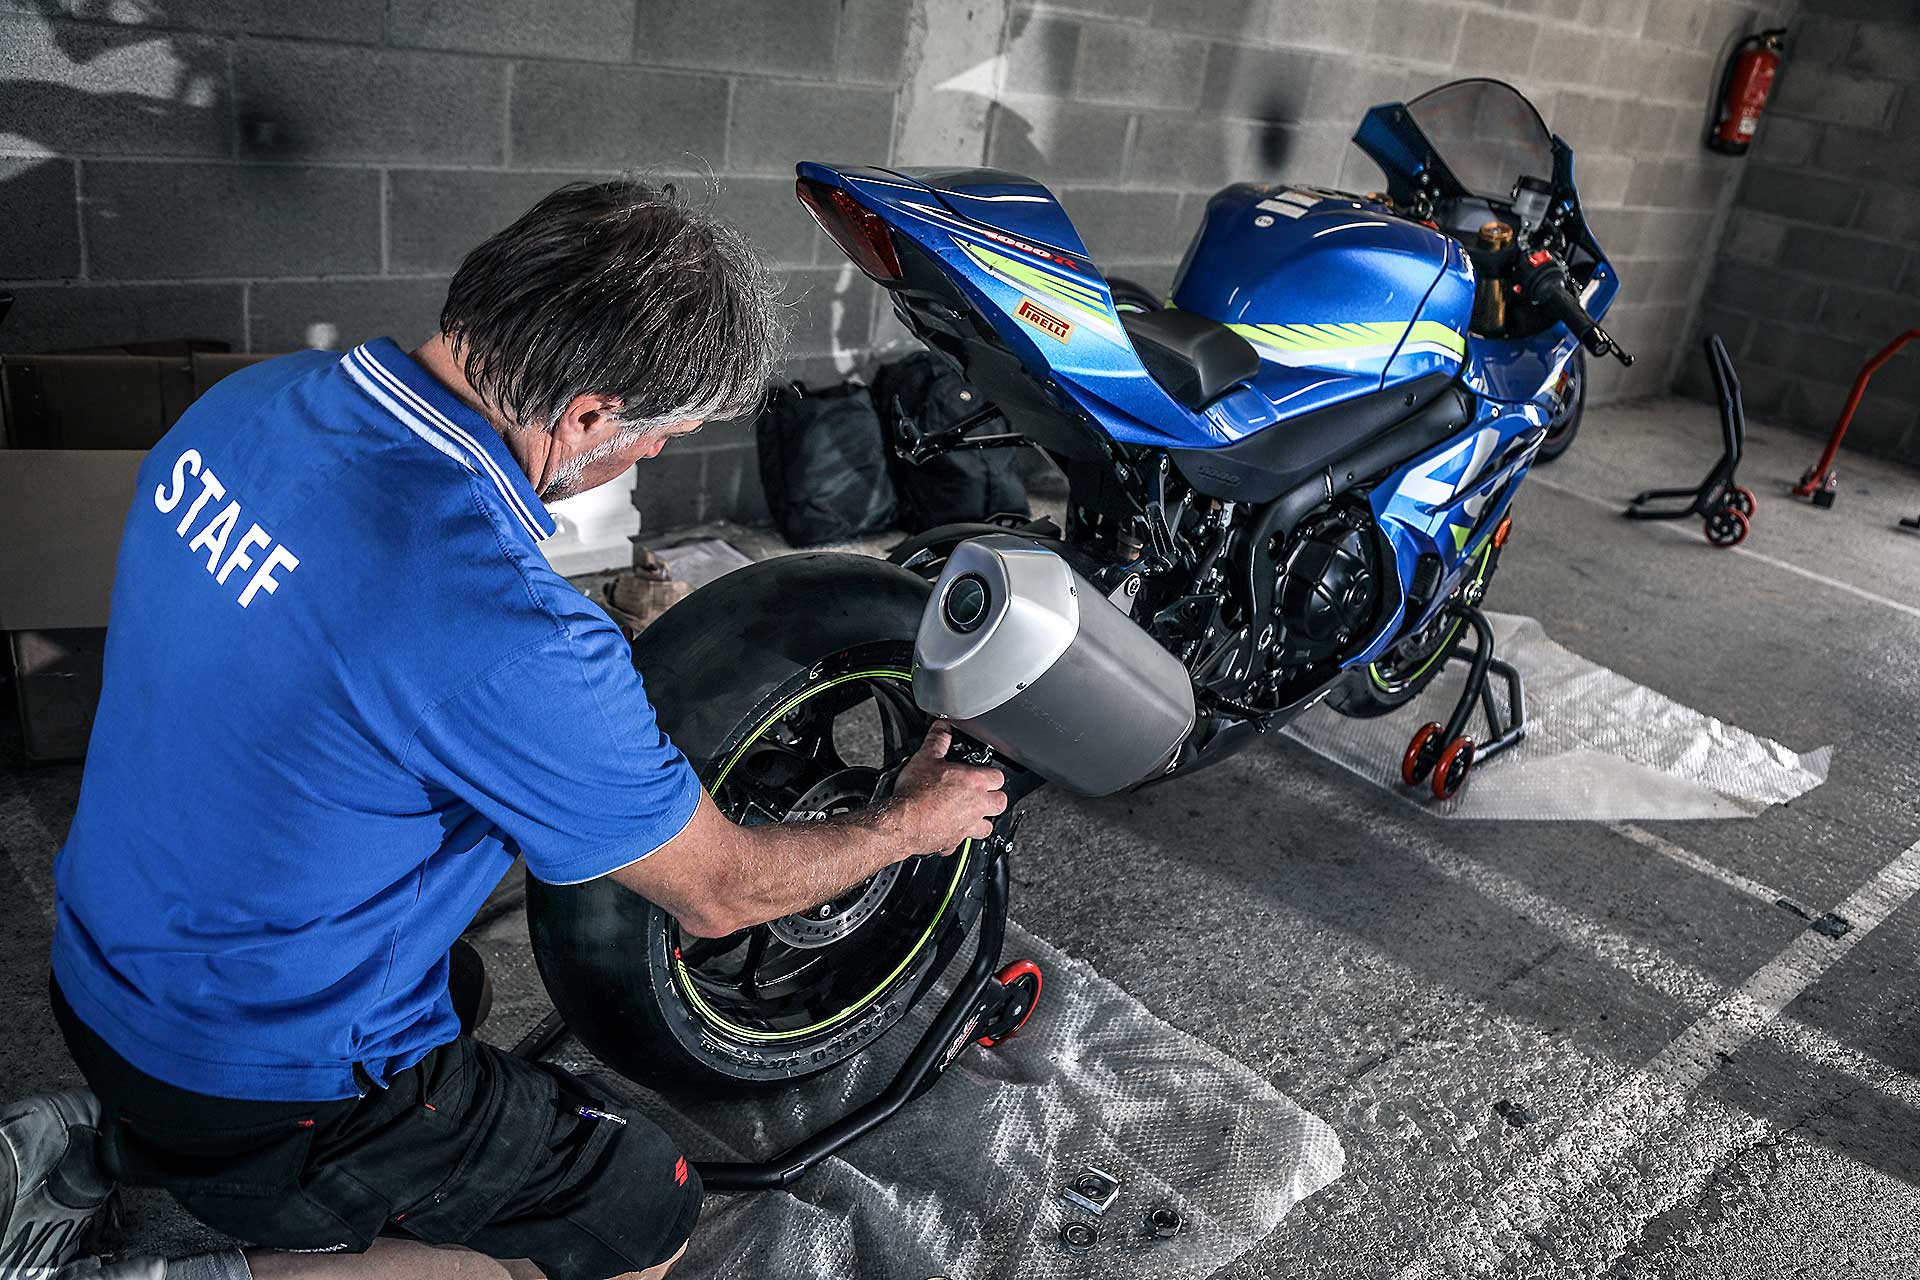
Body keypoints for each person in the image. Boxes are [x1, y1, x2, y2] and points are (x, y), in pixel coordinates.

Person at [3, 179, 1007, 1280]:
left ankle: (102, 1151)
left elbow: (341, 654)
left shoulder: (252, 402)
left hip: (98, 964)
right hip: (263, 1077)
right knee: (641, 1212)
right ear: (587, 417)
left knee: (459, 992)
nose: (649, 459)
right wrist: (907, 824)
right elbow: (720, 892)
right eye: (660, 437)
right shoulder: (509, 627)